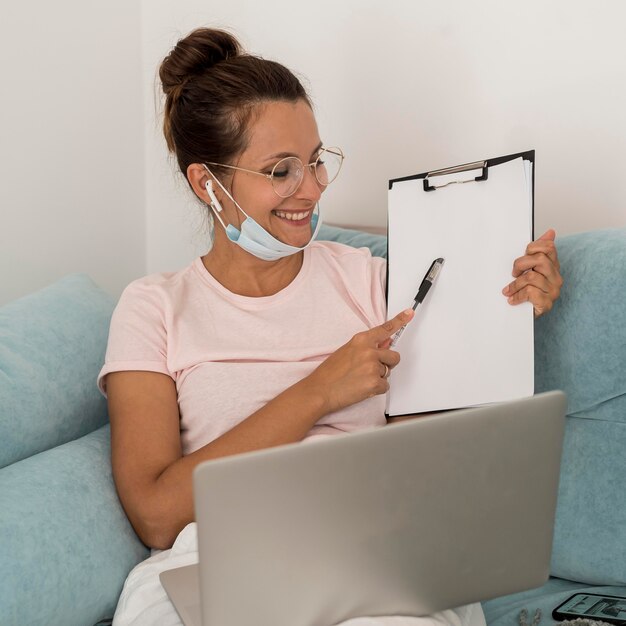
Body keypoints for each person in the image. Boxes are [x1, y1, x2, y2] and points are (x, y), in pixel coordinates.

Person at [97, 27, 563, 626]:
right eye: (280, 170)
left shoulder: (372, 283)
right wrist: (320, 391)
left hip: (373, 553)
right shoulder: (152, 308)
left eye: (316, 161)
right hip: (215, 560)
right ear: (207, 184)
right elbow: (157, 514)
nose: (312, 190)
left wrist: (509, 312)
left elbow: (438, 456)